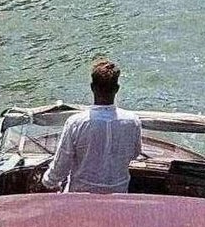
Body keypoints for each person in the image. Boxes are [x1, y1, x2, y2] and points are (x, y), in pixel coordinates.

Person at [45, 59, 143, 193]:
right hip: (119, 193)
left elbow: (61, 165)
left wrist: (47, 182)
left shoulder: (75, 123)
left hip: (81, 195)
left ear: (92, 87)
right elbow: (134, 154)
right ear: (117, 89)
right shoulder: (133, 121)